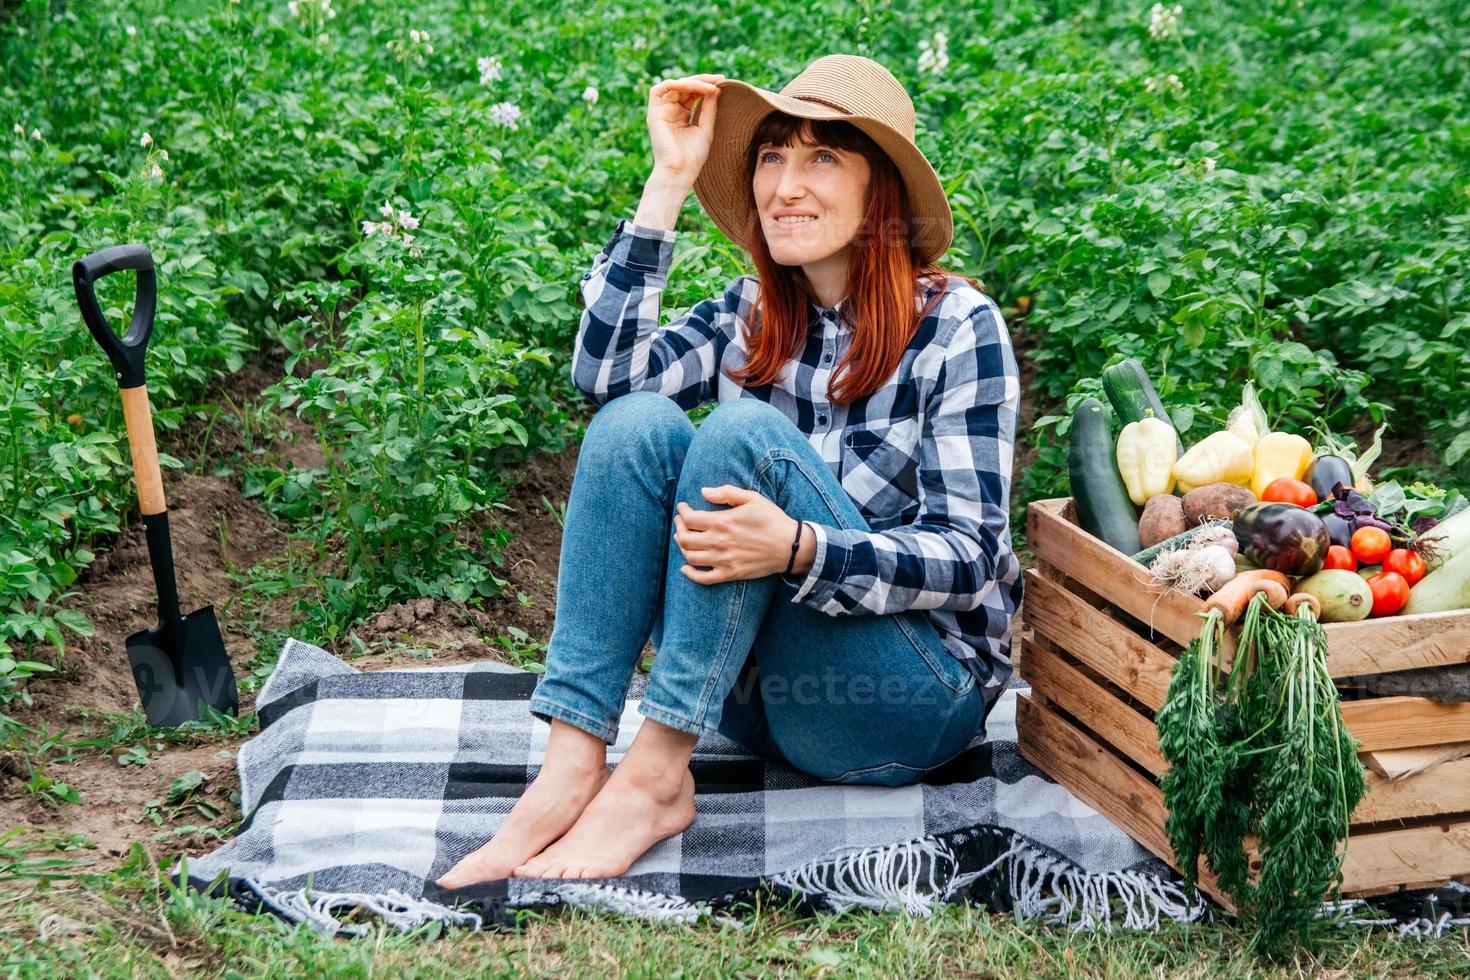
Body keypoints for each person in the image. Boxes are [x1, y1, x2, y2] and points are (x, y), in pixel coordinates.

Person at [437, 54, 1022, 888]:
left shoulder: (959, 326)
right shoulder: (748, 312)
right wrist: (669, 181)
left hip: (903, 704)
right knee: (636, 423)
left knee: (742, 432)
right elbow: (605, 383)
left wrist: (798, 548)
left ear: (879, 192)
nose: (786, 185)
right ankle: (572, 763)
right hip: (755, 706)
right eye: (772, 157)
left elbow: (969, 555)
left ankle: (650, 778)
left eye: (823, 157)